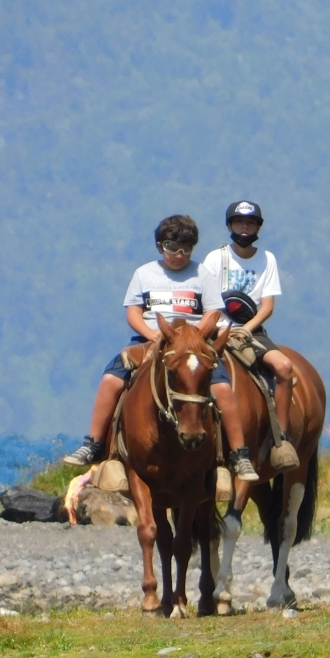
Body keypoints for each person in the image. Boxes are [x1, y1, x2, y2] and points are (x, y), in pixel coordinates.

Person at [63, 215, 259, 481]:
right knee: (111, 379)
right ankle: (94, 444)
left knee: (222, 387)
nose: (179, 255)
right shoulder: (144, 274)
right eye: (171, 247)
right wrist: (151, 333)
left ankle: (239, 454)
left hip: (193, 344)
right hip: (151, 340)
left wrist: (193, 338)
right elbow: (133, 312)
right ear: (159, 246)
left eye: (186, 249)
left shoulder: (202, 274)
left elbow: (213, 312)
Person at [200, 200, 299, 472]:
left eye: (251, 222)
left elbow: (267, 305)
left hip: (251, 330)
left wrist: (247, 328)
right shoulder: (215, 258)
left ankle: (282, 438)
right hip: (215, 327)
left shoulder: (267, 259)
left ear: (258, 227)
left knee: (284, 367)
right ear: (230, 225)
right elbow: (206, 298)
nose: (245, 227)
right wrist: (219, 326)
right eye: (240, 222)